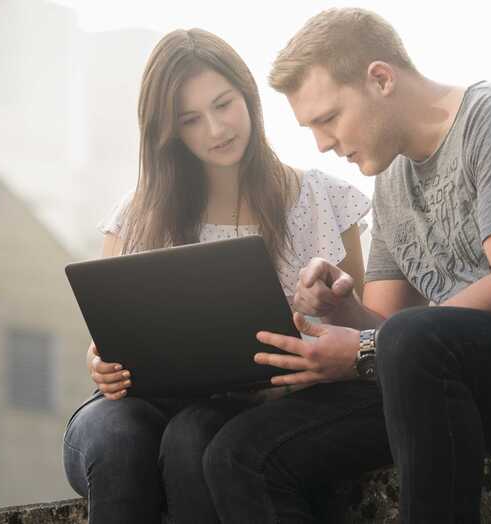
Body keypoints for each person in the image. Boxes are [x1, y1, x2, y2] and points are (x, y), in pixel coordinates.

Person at [203, 8, 491, 521]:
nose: (322, 143)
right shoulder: (390, 182)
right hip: (455, 385)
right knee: (242, 452)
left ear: (380, 79)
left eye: (328, 118)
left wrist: (365, 346)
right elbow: (387, 334)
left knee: (410, 340)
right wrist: (343, 309)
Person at [60, 27, 370, 523]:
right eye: (190, 119)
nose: (216, 129)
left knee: (194, 435)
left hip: (265, 411)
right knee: (117, 438)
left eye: (224, 104)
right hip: (140, 409)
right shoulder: (136, 215)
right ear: (169, 131)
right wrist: (102, 364)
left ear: (248, 95)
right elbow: (110, 334)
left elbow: (359, 336)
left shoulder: (324, 201)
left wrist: (330, 308)